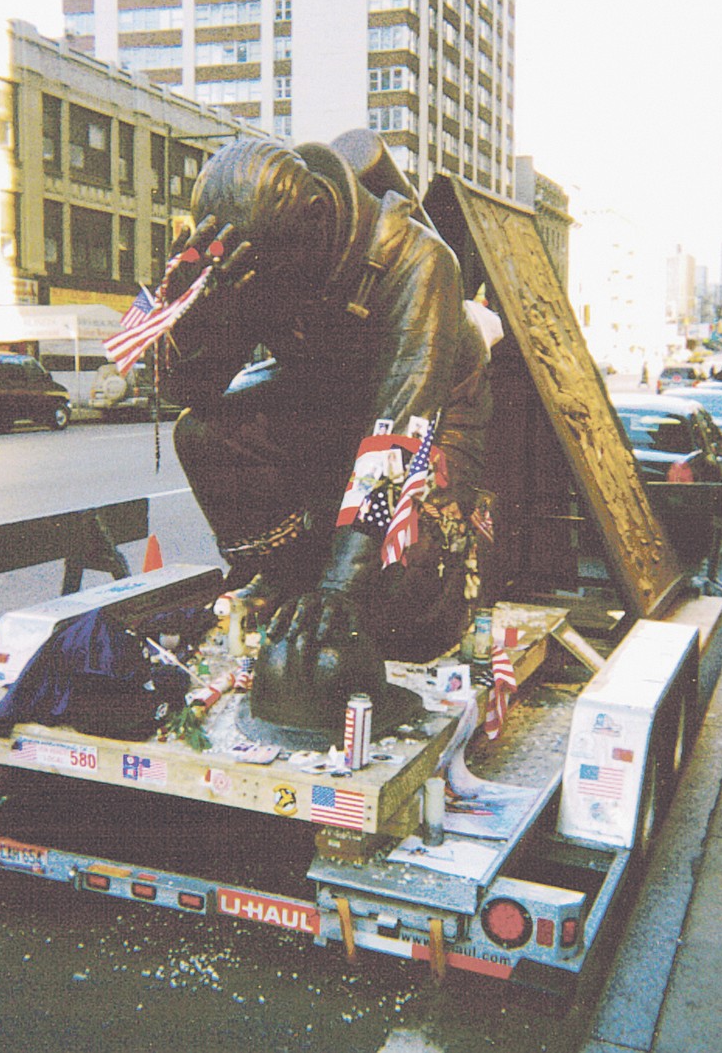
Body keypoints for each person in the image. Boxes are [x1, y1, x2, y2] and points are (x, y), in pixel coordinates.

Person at [160, 130, 497, 738]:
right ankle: (290, 580)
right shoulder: (259, 257)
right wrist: (194, 319)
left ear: (317, 219)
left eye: (268, 275)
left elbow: (400, 434)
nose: (260, 288)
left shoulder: (418, 262)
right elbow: (191, 394)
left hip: (433, 419)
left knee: (400, 581)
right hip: (327, 402)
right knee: (204, 436)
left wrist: (344, 584)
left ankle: (339, 590)